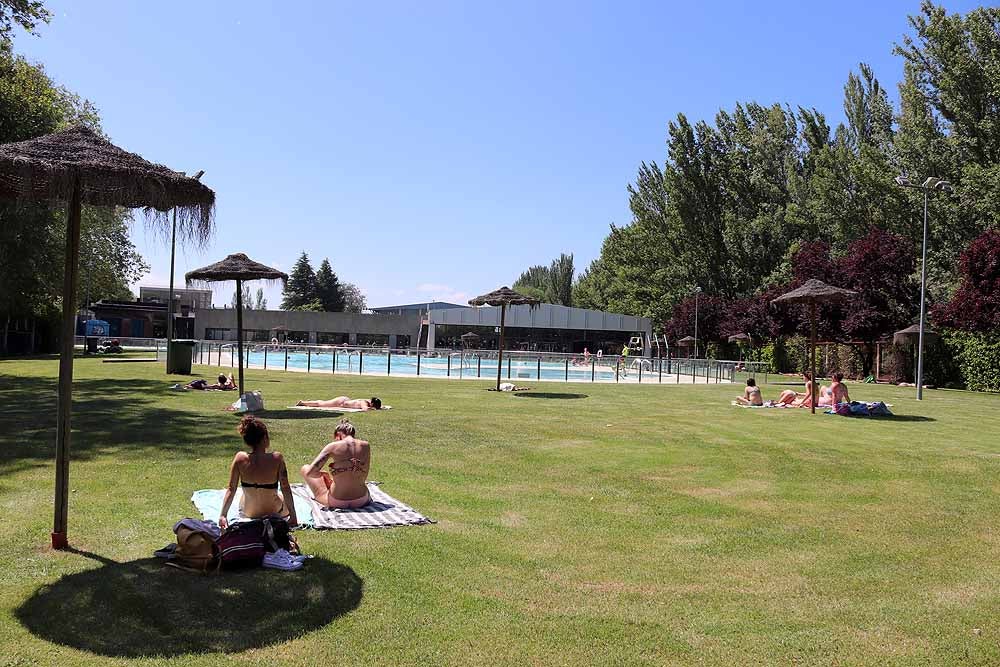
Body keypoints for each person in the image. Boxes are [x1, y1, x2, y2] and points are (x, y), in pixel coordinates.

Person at [218, 415, 297, 529]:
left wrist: (223, 515)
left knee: (244, 495)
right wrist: (293, 516)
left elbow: (231, 488)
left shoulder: (240, 458)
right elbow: (285, 487)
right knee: (280, 495)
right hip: (275, 512)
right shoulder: (276, 458)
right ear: (265, 438)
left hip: (249, 512)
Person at [300, 418, 371, 509]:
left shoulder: (333, 446)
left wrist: (324, 474)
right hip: (361, 499)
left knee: (305, 468)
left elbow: (310, 473)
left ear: (338, 435)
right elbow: (364, 472)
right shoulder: (366, 445)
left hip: (337, 501)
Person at [294, 396, 382, 410]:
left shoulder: (367, 401)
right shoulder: (364, 402)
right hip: (341, 402)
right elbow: (365, 409)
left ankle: (303, 402)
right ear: (372, 404)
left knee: (322, 403)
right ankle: (303, 402)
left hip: (344, 400)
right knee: (321, 404)